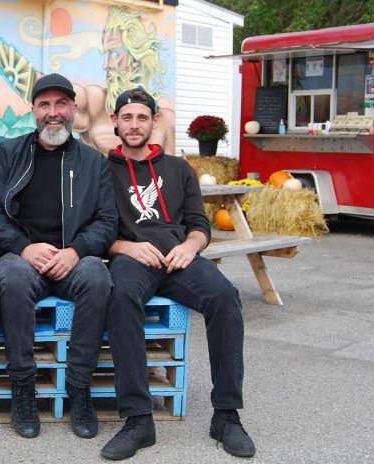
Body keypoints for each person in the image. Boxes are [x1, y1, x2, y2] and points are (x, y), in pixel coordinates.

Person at [100, 89, 256, 460]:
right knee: (121, 299)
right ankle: (138, 420)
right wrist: (125, 247)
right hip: (131, 257)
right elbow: (95, 229)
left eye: (142, 117)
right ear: (115, 122)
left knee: (225, 297)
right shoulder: (101, 171)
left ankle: (227, 415)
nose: (134, 125)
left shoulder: (179, 168)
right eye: (127, 117)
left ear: (154, 122)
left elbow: (200, 224)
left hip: (178, 258)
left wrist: (190, 246)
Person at [0, 73, 117, 440]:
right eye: (45, 105)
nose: (52, 113)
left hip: (73, 258)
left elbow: (107, 221)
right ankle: (23, 389)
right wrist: (24, 248)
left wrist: (75, 251)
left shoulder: (93, 161)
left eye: (60, 104)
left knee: (97, 277)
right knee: (11, 276)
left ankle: (79, 388)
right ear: (33, 110)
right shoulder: (9, 152)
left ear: (73, 109)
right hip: (24, 257)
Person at [0, 6, 175, 154]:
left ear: (136, 57)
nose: (106, 64)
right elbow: (45, 89)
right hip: (103, 218)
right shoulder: (95, 102)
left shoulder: (166, 121)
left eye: (114, 53)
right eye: (105, 54)